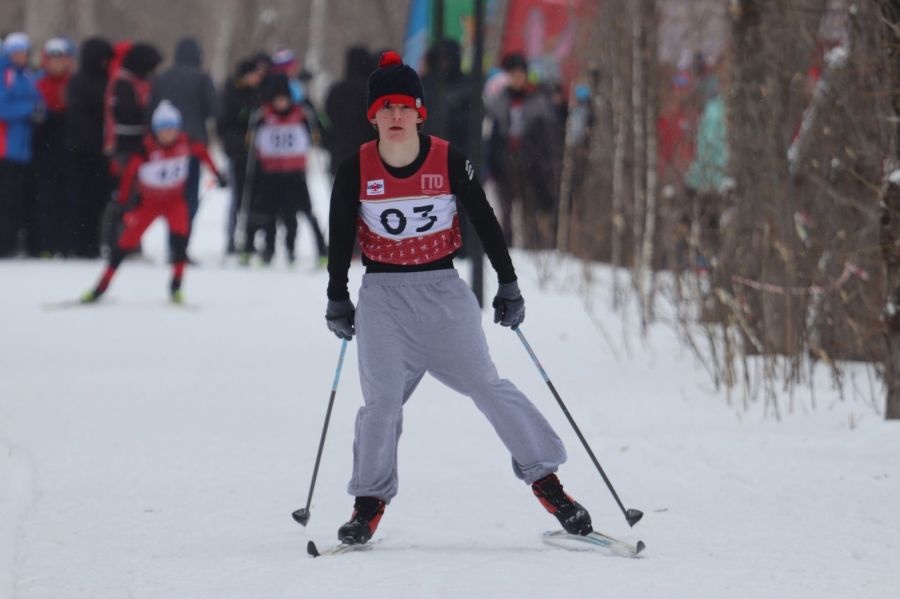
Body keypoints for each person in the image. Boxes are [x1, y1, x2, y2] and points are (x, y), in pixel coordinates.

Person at [325, 51, 592, 545]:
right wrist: (337, 297)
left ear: (420, 112)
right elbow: (340, 235)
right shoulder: (355, 168)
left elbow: (484, 220)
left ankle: (549, 484)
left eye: (406, 108)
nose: (397, 117)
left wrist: (507, 283)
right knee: (380, 405)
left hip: (444, 294)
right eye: (387, 109)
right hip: (384, 298)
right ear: (373, 115)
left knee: (488, 388)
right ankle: (368, 504)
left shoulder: (447, 158)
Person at [81, 101, 225, 304]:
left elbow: (203, 154)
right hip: (149, 203)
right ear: (156, 130)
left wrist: (218, 174)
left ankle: (176, 286)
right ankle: (101, 286)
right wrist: (122, 202)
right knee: (124, 244)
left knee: (180, 243)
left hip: (175, 202)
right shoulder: (145, 149)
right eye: (163, 130)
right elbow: (129, 174)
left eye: (171, 129)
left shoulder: (186, 143)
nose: (167, 134)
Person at [242, 74, 326, 265]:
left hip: (294, 172)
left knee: (301, 211)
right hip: (271, 173)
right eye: (277, 99)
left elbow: (318, 131)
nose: (281, 103)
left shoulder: (300, 114)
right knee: (269, 213)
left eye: (284, 99)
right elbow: (252, 137)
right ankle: (267, 248)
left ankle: (314, 248)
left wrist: (313, 122)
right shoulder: (265, 115)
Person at [485, 52, 563, 249]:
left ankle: (532, 250)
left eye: (520, 74)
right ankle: (506, 250)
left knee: (529, 212)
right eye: (512, 75)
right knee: (505, 212)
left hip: (530, 166)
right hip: (504, 165)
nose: (516, 79)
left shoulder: (537, 102)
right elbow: (492, 135)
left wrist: (544, 164)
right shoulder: (499, 101)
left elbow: (546, 138)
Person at [151, 37, 218, 251]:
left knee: (169, 197)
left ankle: (172, 243)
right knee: (188, 199)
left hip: (163, 148)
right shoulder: (202, 78)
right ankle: (180, 245)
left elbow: (150, 108)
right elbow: (215, 110)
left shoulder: (162, 78)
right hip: (193, 146)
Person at [66, 36, 114, 258]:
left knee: (98, 201)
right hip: (83, 151)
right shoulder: (81, 82)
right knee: (83, 200)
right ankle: (81, 244)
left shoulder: (106, 80)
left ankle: (92, 242)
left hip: (99, 150)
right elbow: (79, 116)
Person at [0, 32, 41, 258]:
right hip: (5, 147)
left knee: (17, 199)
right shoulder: (5, 74)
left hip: (22, 149)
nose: (20, 57)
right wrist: (28, 110)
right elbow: (2, 107)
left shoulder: (25, 75)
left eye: (23, 53)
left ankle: (12, 241)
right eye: (15, 53)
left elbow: (37, 100)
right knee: (6, 199)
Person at [218, 57, 265, 254]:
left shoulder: (256, 92)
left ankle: (249, 237)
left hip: (253, 151)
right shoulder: (232, 91)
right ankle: (231, 237)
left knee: (253, 196)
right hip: (236, 150)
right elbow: (229, 119)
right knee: (238, 196)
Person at [33, 37, 75, 257]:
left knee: (66, 196)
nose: (57, 64)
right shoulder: (38, 83)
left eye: (61, 59)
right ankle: (46, 244)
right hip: (44, 149)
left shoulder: (72, 83)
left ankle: (65, 243)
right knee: (46, 196)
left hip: (67, 147)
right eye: (53, 60)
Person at [324, 46, 375, 176]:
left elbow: (325, 121)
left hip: (340, 159)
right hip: (368, 158)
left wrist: (330, 144)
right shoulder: (371, 91)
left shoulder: (335, 91)